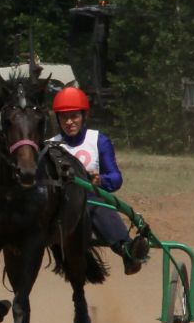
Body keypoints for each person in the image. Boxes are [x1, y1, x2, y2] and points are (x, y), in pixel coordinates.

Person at [46, 85, 150, 274]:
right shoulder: (49, 145)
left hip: (88, 200)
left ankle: (126, 250)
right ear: (58, 119)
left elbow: (116, 178)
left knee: (94, 203)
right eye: (64, 117)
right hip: (57, 207)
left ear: (84, 116)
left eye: (74, 116)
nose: (69, 122)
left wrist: (100, 180)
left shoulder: (98, 141)